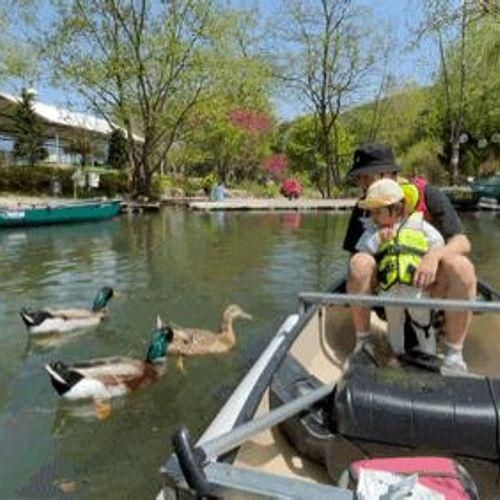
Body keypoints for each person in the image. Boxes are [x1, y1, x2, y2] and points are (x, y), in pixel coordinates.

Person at [344, 143, 476, 371]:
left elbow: (462, 242)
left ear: (389, 173)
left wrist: (434, 256)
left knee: (462, 266)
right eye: (359, 179)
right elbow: (357, 255)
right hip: (387, 287)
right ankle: (364, 343)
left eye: (367, 177)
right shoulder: (364, 205)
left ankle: (454, 356)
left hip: (429, 288)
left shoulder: (428, 194)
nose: (363, 185)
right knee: (358, 263)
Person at [355, 178, 445, 356]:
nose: (374, 216)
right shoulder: (373, 230)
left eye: (378, 211)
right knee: (394, 323)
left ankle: (429, 354)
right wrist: (378, 238)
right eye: (372, 212)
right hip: (389, 289)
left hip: (416, 288)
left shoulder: (419, 225)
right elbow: (362, 250)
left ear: (397, 208)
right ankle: (397, 353)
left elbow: (438, 242)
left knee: (422, 321)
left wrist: (431, 257)